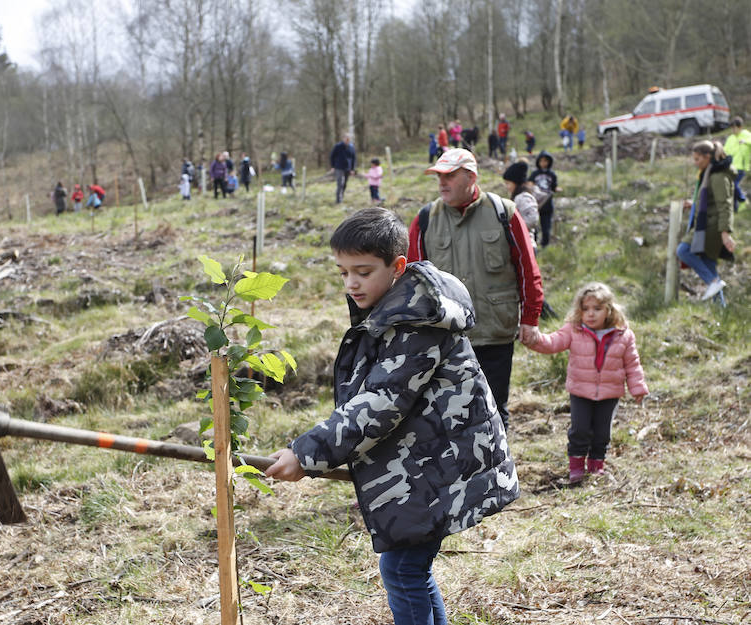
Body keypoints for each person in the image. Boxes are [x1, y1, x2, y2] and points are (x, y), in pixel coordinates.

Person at [265, 207, 519, 625]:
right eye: (343, 272)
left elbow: (382, 402)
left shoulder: (418, 323)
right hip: (424, 460)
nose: (351, 283)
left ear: (398, 266)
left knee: (403, 570)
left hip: (439, 463)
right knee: (408, 570)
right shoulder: (392, 312)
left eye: (362, 272)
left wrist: (306, 452)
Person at [407, 149, 544, 432]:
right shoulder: (425, 219)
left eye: (450, 176)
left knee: (494, 411)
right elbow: (411, 281)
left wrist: (530, 319)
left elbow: (527, 269)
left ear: (471, 176)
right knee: (449, 415)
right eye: (439, 176)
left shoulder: (503, 213)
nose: (442, 183)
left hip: (495, 332)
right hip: (445, 339)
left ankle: (498, 474)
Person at [524, 282, 648, 483]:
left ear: (609, 310)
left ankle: (596, 467)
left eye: (597, 309)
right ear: (578, 311)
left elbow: (632, 364)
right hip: (581, 391)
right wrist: (534, 340)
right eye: (585, 309)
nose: (591, 314)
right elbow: (553, 342)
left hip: (610, 393)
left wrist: (638, 388)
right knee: (579, 429)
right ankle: (576, 468)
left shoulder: (623, 335)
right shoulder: (574, 330)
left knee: (602, 432)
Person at [676, 140, 737, 303]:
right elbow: (708, 198)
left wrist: (725, 233)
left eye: (697, 159)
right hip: (706, 224)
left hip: (713, 227)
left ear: (708, 156)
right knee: (709, 265)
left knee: (683, 250)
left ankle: (713, 282)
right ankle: (720, 310)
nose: (695, 163)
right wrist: (693, 203)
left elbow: (725, 205)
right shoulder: (708, 173)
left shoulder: (718, 176)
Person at [528, 150, 560, 248]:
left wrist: (556, 189)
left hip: (547, 203)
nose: (543, 163)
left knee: (546, 227)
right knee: (534, 226)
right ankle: (534, 245)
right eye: (541, 161)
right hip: (536, 203)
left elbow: (554, 187)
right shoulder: (534, 174)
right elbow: (529, 185)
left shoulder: (552, 174)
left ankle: (545, 245)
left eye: (545, 161)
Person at [502, 161, 539, 240]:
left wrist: (516, 227)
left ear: (516, 183)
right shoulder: (517, 197)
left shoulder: (523, 197)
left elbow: (533, 218)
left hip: (527, 243)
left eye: (508, 183)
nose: (506, 186)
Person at [723, 117, 751, 211]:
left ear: (740, 127)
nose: (733, 130)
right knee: (731, 187)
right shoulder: (730, 138)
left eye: (734, 128)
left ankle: (743, 200)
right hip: (731, 167)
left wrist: (745, 142)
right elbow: (725, 150)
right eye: (732, 128)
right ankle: (735, 207)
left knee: (734, 185)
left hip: (741, 167)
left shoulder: (747, 135)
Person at [329, 134, 356, 204]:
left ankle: (342, 196)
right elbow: (332, 156)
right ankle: (338, 200)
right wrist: (332, 166)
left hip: (348, 168)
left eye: (348, 139)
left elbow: (353, 158)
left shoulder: (351, 147)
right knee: (340, 183)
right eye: (346, 139)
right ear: (343, 139)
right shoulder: (338, 146)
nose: (347, 140)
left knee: (345, 184)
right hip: (339, 167)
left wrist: (352, 169)